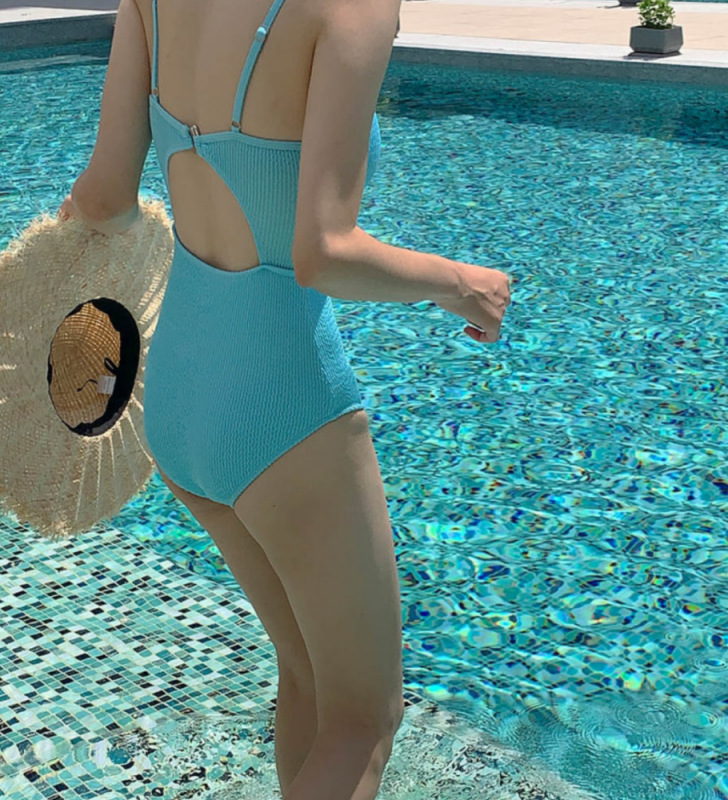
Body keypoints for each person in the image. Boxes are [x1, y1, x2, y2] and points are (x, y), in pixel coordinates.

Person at [59, 0, 511, 797]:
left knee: (306, 672)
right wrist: (461, 283)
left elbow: (103, 200)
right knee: (364, 720)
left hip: (179, 395)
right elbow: (325, 253)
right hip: (282, 405)